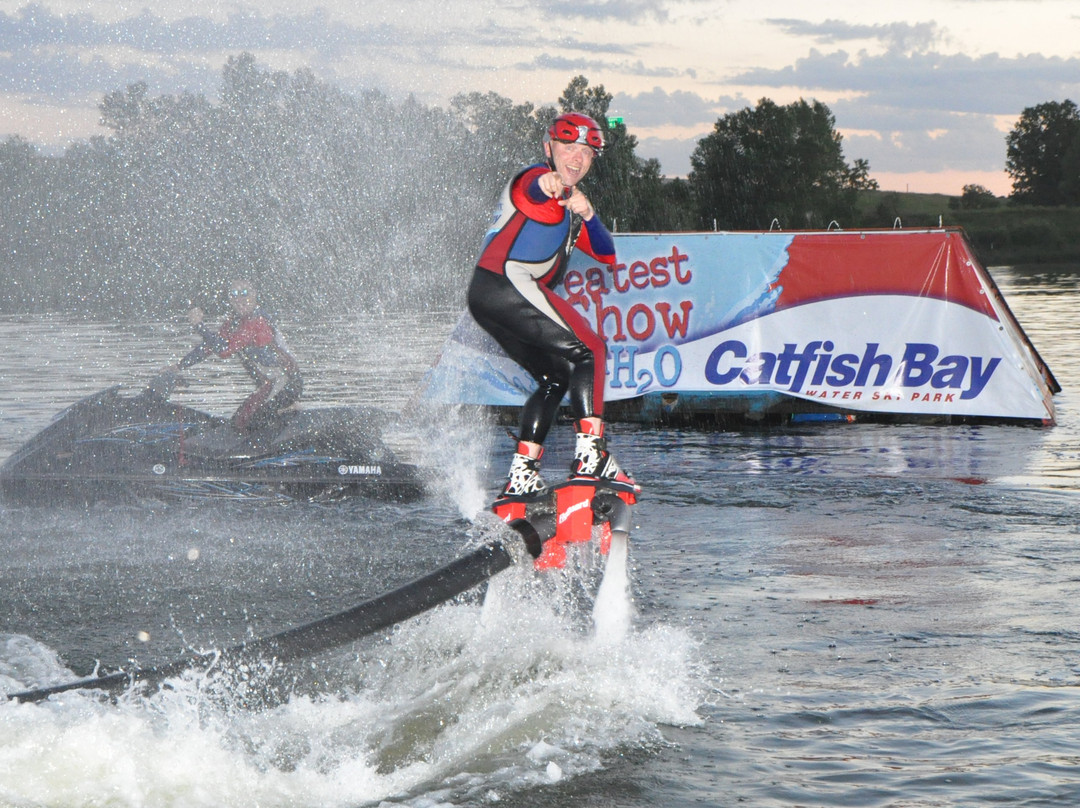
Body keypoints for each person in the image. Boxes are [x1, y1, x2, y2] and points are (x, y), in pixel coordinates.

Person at [467, 111, 634, 503]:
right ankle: (591, 456)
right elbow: (532, 188)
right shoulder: (532, 179)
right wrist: (548, 183)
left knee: (556, 377)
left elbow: (607, 254)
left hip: (487, 299)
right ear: (548, 148)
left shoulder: (570, 208)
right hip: (505, 283)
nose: (577, 158)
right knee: (591, 349)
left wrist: (588, 215)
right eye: (568, 147)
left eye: (586, 152)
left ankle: (521, 475)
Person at [174, 280, 303, 432]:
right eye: (234, 294)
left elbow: (225, 350)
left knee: (250, 423)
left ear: (254, 295)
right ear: (229, 299)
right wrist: (178, 366)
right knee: (238, 422)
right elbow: (209, 347)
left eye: (244, 293)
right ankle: (283, 412)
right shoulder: (233, 323)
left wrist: (199, 326)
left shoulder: (258, 321)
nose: (239, 299)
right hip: (268, 385)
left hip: (286, 384)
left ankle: (290, 415)